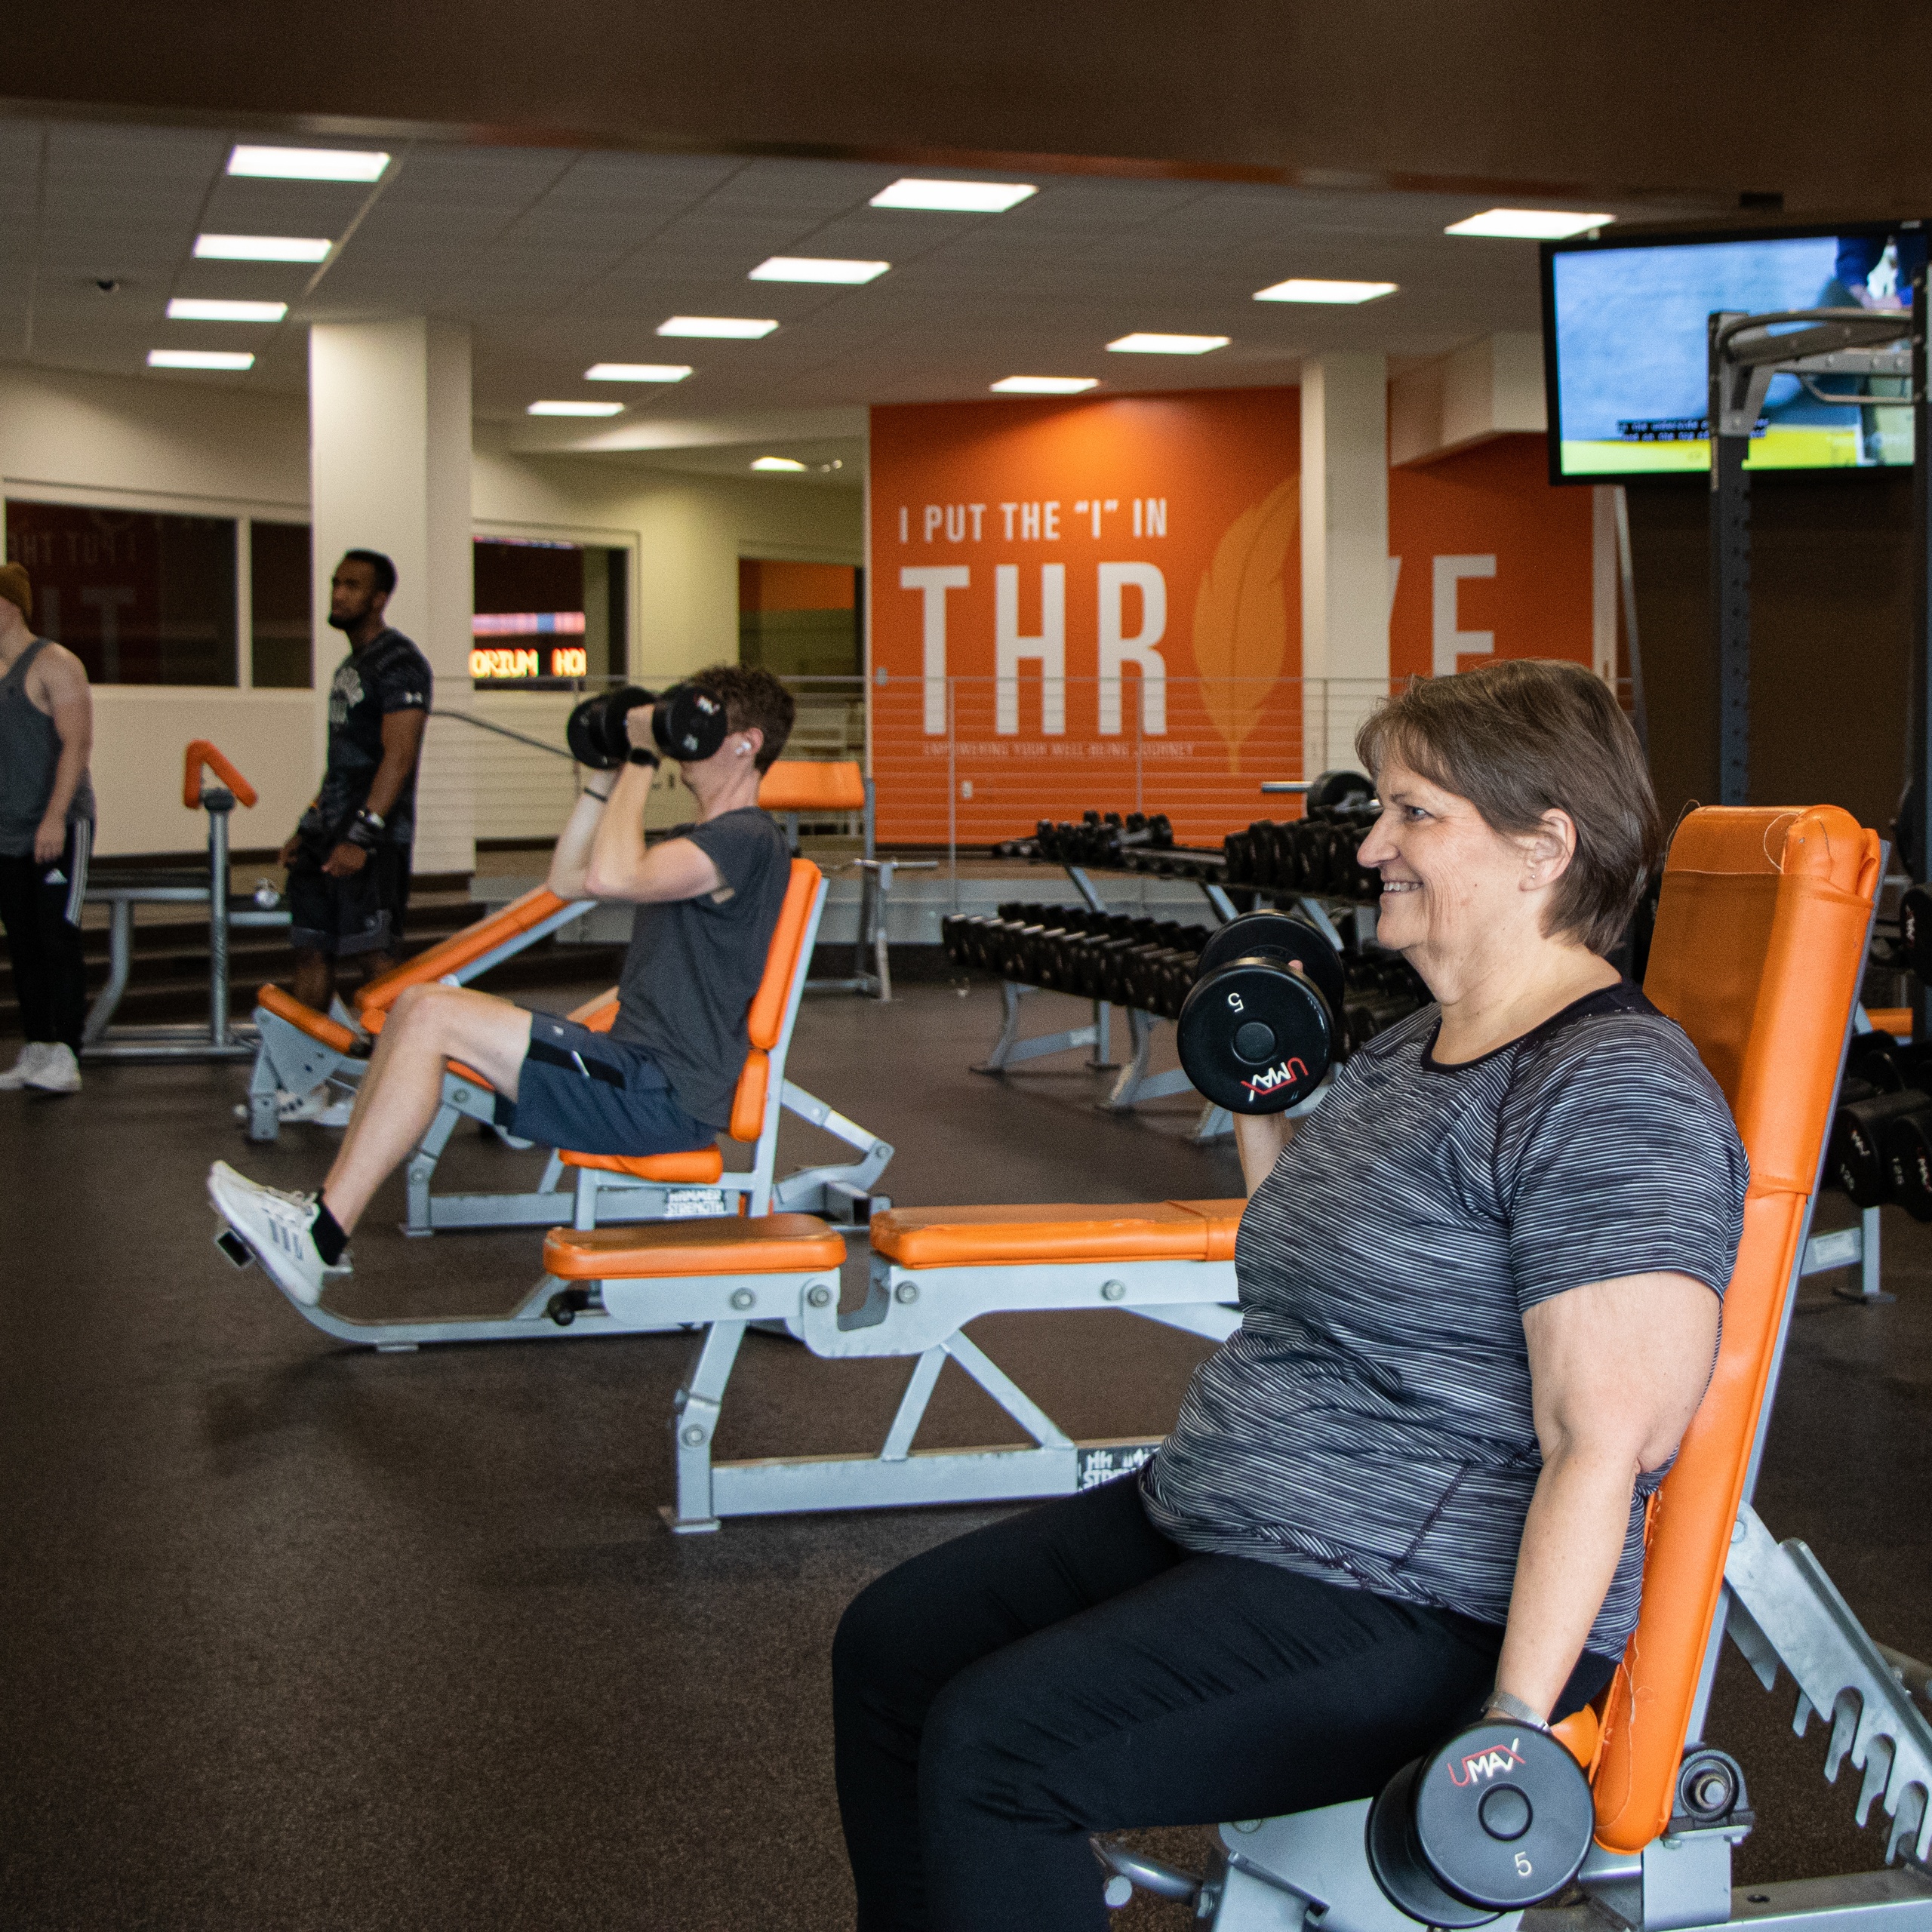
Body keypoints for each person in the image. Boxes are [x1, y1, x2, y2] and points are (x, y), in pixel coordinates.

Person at [831, 658, 1749, 1932]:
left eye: (1415, 813)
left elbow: (1604, 1443)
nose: (1371, 843)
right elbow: (1304, 1258)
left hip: (1422, 1597)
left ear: (1545, 846)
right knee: (892, 1647)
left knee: (1004, 1747)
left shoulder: (1612, 1097)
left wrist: (1513, 1728)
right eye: (1382, 807)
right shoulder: (1407, 1050)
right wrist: (1257, 1092)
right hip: (1240, 1511)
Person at [208, 665, 796, 1306]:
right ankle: (322, 1220)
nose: (686, 738)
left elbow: (610, 876)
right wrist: (604, 773)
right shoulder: (702, 840)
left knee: (430, 1012)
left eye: (704, 724)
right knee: (415, 1007)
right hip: (631, 1074)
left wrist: (639, 750)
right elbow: (571, 878)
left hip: (658, 1093)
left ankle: (319, 1238)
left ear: (747, 744)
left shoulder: (747, 838)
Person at [282, 549, 432, 1017]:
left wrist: (361, 837)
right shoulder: (351, 666)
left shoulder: (400, 662)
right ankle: (306, 1082)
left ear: (379, 599)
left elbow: (399, 756)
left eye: (352, 586)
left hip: (373, 839)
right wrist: (309, 826)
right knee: (311, 950)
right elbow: (342, 763)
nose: (339, 594)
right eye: (336, 583)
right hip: (329, 830)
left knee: (376, 956)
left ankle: (402, 1075)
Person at [0, 561, 96, 1096]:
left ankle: (67, 1053)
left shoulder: (56, 663)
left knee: (57, 938)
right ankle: (37, 1047)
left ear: (9, 605)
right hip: (7, 829)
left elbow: (77, 745)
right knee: (23, 942)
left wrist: (55, 817)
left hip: (60, 824)